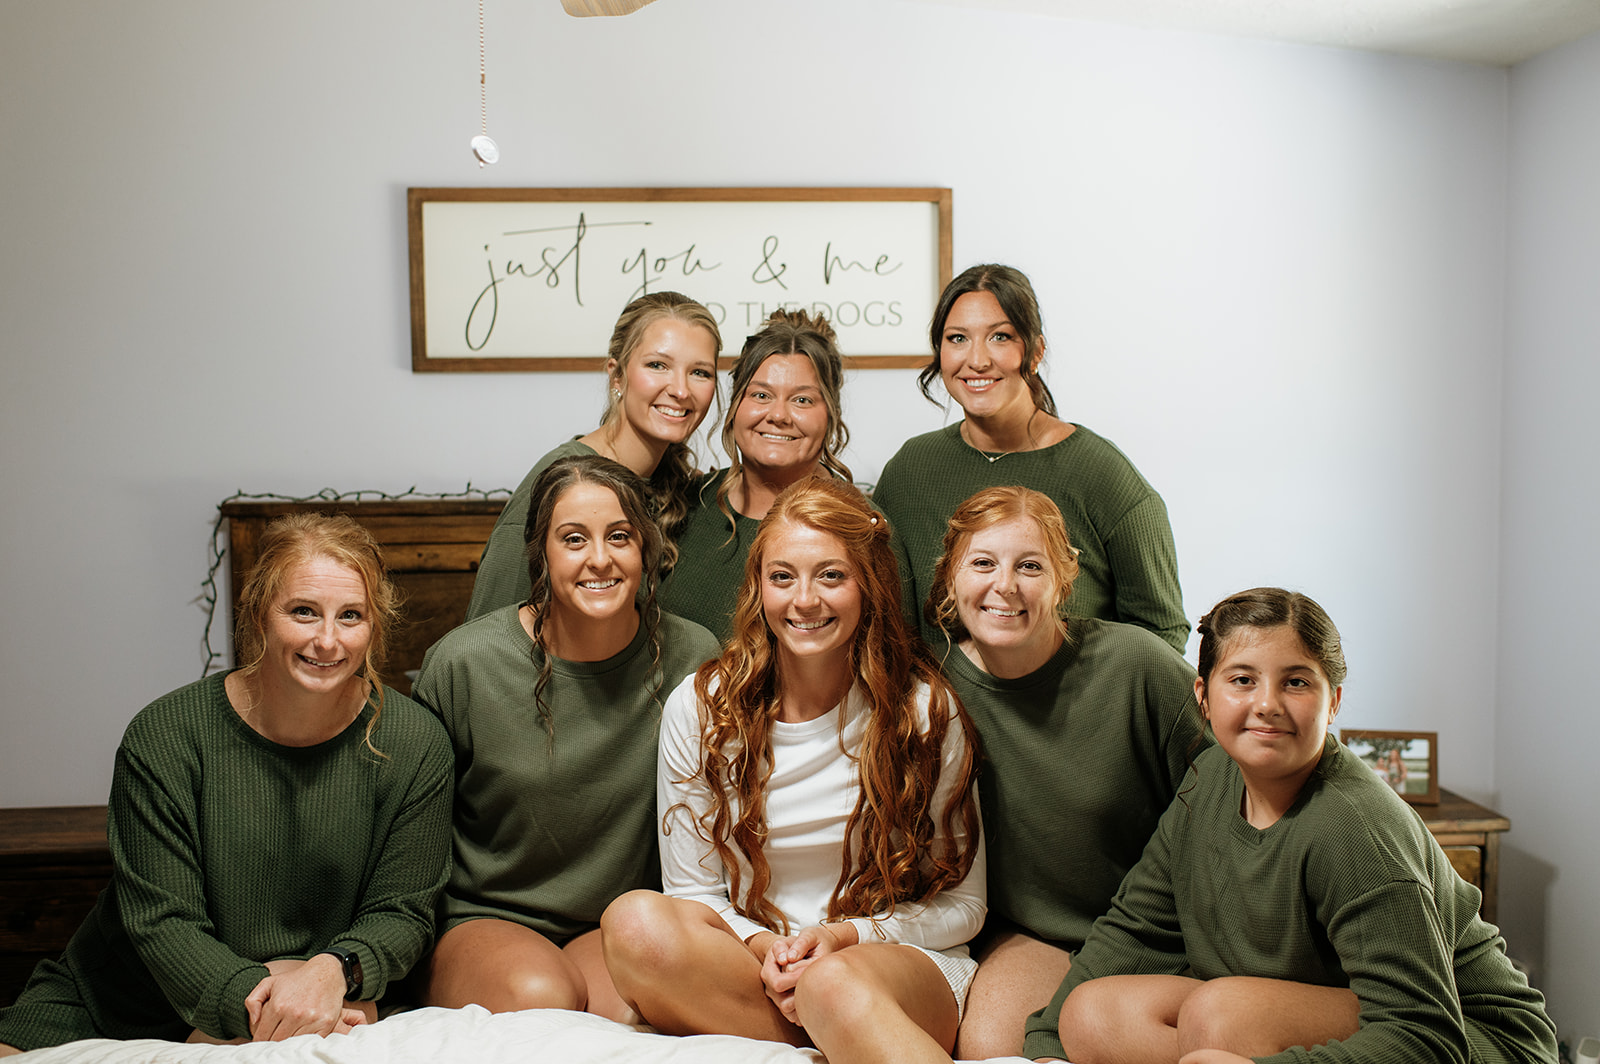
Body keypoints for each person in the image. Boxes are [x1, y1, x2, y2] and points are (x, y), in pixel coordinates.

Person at [1023, 588, 1557, 1064]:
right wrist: (1044, 1050)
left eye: (1296, 682)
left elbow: (1426, 1035)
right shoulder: (1208, 778)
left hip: (1470, 1038)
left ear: (1333, 703)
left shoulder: (1355, 828)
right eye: (1242, 680)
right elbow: (1135, 926)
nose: (1267, 705)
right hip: (1325, 1004)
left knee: (1223, 1017)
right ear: (1204, 698)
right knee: (1093, 1015)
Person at [0, 515, 453, 1055]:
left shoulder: (415, 742)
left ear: (375, 626)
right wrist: (263, 1007)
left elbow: (402, 912)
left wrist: (333, 973)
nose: (327, 640)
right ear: (259, 613)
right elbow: (164, 924)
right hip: (137, 995)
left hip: (328, 991)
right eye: (303, 611)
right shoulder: (166, 735)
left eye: (350, 616)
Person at [600, 477, 985, 1064]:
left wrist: (840, 939)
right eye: (783, 577)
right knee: (633, 924)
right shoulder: (702, 706)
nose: (804, 600)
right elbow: (693, 893)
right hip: (754, 964)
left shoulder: (923, 709)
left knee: (834, 985)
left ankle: (846, 1021)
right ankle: (840, 1041)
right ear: (759, 588)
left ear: (869, 586)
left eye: (831, 575)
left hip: (891, 963)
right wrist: (766, 948)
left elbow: (964, 905)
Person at [413, 455, 720, 1019]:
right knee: (542, 998)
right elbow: (411, 837)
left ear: (647, 549)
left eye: (620, 536)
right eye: (573, 539)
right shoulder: (464, 665)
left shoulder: (694, 657)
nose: (599, 559)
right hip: (484, 919)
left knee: (629, 1018)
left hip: (616, 922)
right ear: (541, 552)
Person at [921, 486, 1205, 1060]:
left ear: (1063, 578)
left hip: (1164, 929)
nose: (1006, 586)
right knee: (989, 1048)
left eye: (1030, 565)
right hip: (1039, 933)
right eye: (982, 563)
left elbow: (1235, 796)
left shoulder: (1138, 666)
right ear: (950, 577)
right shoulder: (932, 694)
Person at [872, 263, 1188, 653]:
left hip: (1072, 712)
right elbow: (887, 619)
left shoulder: (1101, 473)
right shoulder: (910, 469)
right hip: (939, 711)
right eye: (957, 338)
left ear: (1036, 351)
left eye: (1000, 337)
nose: (977, 360)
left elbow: (1161, 631)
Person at [466, 291, 722, 620]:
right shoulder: (562, 480)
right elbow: (486, 631)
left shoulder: (671, 485)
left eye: (700, 372)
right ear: (617, 375)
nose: (681, 390)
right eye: (657, 365)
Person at [659, 308, 852, 641]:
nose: (778, 415)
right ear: (736, 404)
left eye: (802, 400)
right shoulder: (682, 505)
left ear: (831, 414)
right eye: (761, 395)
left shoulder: (861, 527)